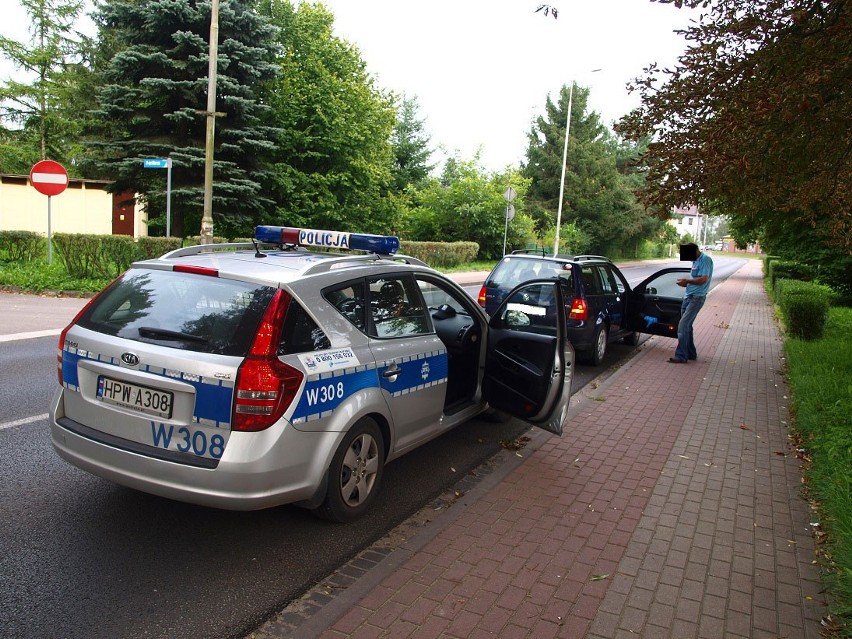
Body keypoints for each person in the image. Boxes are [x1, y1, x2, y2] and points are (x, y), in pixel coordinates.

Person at [669, 243, 713, 363]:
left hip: (697, 298)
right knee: (687, 326)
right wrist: (687, 283)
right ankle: (691, 353)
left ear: (695, 251)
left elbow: (704, 279)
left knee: (683, 325)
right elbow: (695, 278)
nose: (688, 258)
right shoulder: (695, 261)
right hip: (688, 296)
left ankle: (681, 355)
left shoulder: (705, 260)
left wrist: (687, 281)